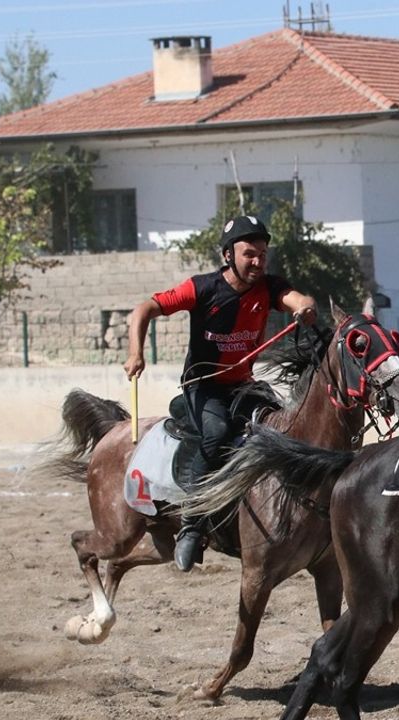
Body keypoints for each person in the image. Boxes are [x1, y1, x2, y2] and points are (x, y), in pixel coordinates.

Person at [123, 215, 317, 571]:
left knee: (282, 426)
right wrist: (136, 352)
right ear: (228, 255)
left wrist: (304, 306)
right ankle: (192, 527)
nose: (257, 261)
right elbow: (143, 309)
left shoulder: (269, 287)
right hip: (203, 386)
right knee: (217, 433)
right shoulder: (202, 288)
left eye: (262, 254)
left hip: (244, 386)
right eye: (249, 254)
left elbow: (297, 298)